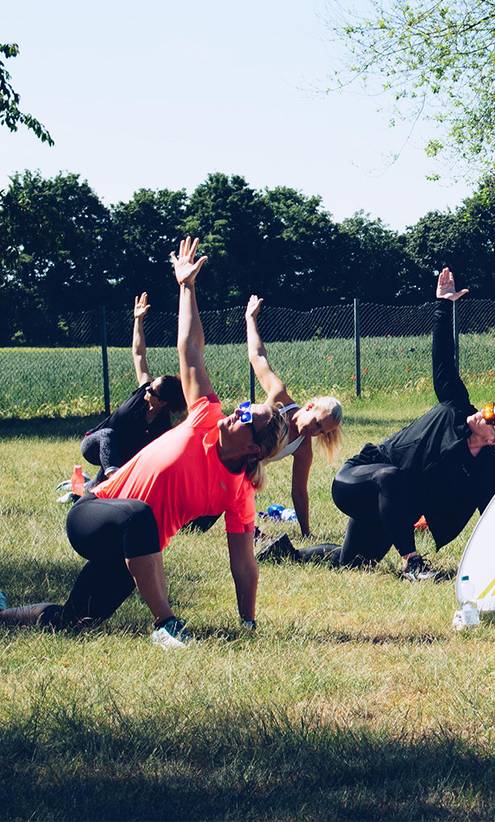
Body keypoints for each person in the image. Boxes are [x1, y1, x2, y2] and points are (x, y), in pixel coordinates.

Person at [0, 238, 288, 646]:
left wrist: (248, 623)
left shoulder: (238, 492)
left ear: (254, 449)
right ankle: (166, 624)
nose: (237, 412)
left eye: (247, 417)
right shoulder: (205, 418)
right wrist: (186, 287)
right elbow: (191, 354)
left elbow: (243, 562)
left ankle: (4, 615)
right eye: (243, 406)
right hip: (95, 514)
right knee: (139, 515)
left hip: (130, 548)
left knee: (75, 621)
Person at [258, 268, 495, 580]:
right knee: (392, 476)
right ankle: (412, 563)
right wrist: (444, 305)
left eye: (491, 417)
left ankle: (283, 553)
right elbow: (443, 360)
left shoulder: (486, 469)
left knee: (353, 562)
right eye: (489, 406)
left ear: (494, 440)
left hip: (393, 506)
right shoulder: (456, 407)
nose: (483, 411)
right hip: (358, 481)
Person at [245, 295, 343, 537]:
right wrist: (250, 319)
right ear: (309, 406)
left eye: (322, 431)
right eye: (318, 423)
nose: (315, 431)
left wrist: (306, 534)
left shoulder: (302, 448)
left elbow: (299, 492)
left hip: (241, 472)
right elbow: (258, 358)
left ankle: (248, 527)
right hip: (225, 449)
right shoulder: (279, 396)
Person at [80, 292, 186, 486]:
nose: (147, 390)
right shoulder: (142, 392)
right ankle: (114, 477)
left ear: (162, 402)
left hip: (120, 459)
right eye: (149, 387)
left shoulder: (162, 426)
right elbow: (138, 354)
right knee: (108, 435)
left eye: (152, 391)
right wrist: (138, 320)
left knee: (95, 493)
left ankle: (83, 489)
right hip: (94, 444)